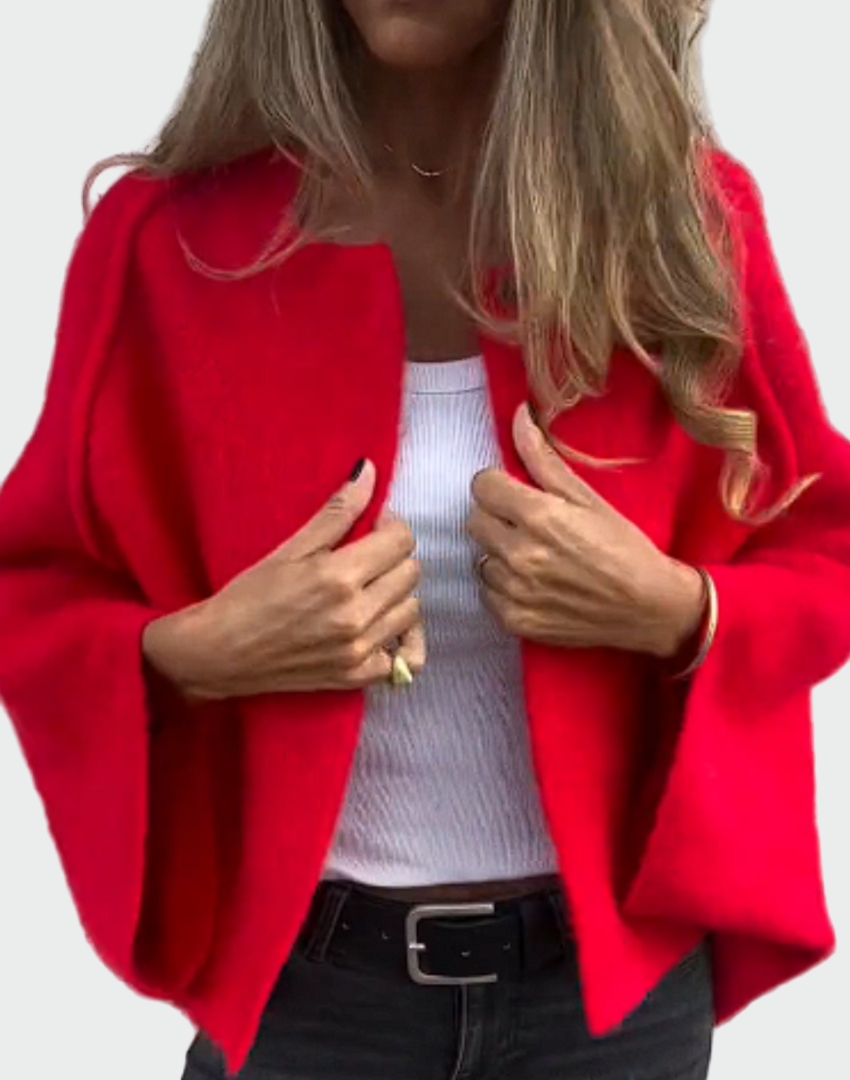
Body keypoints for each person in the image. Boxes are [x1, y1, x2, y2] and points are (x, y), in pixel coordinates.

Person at [1, 1, 849, 1078]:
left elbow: (826, 551)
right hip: (303, 1009)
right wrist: (191, 655)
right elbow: (30, 587)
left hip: (611, 1014)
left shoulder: (679, 222)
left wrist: (679, 610)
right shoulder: (165, 243)